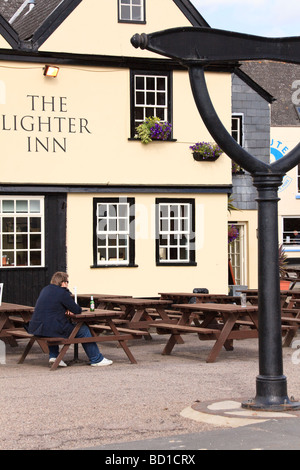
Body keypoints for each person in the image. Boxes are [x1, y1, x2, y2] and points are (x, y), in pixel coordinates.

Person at [28, 272, 113, 367]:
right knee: (83, 329)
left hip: (37, 327)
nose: (68, 284)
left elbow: (53, 307)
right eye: (67, 282)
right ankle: (96, 359)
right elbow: (77, 310)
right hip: (51, 328)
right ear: (63, 283)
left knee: (52, 326)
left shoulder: (45, 290)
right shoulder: (62, 292)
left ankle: (54, 356)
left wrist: (64, 309)